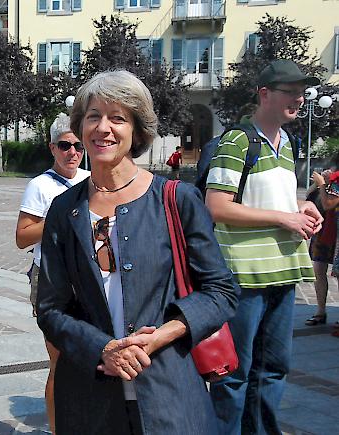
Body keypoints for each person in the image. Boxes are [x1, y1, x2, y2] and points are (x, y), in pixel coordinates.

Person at [36, 70, 238, 435]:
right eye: (94, 116)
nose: (103, 128)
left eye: (118, 118)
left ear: (137, 129)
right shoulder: (64, 210)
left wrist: (162, 334)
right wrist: (102, 349)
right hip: (89, 398)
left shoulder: (176, 199)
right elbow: (50, 308)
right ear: (80, 126)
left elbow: (221, 292)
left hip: (169, 392)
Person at [206, 59, 323, 434]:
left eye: (301, 93)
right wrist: (284, 218)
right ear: (265, 94)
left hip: (284, 271)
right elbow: (217, 206)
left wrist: (301, 206)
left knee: (273, 369)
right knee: (235, 372)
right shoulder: (238, 140)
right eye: (291, 91)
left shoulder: (287, 142)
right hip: (245, 275)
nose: (300, 99)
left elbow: (273, 199)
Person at [15, 112, 89, 434]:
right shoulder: (40, 186)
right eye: (64, 145)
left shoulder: (91, 179)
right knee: (59, 362)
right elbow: (22, 236)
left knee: (87, 359)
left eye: (78, 146)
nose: (72, 152)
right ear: (52, 148)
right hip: (52, 280)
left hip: (88, 279)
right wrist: (62, 218)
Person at [308, 167, 339, 335]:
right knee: (318, 269)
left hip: (336, 231)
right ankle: (320, 311)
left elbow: (328, 203)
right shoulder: (332, 178)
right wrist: (320, 183)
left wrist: (322, 184)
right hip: (323, 229)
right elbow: (309, 196)